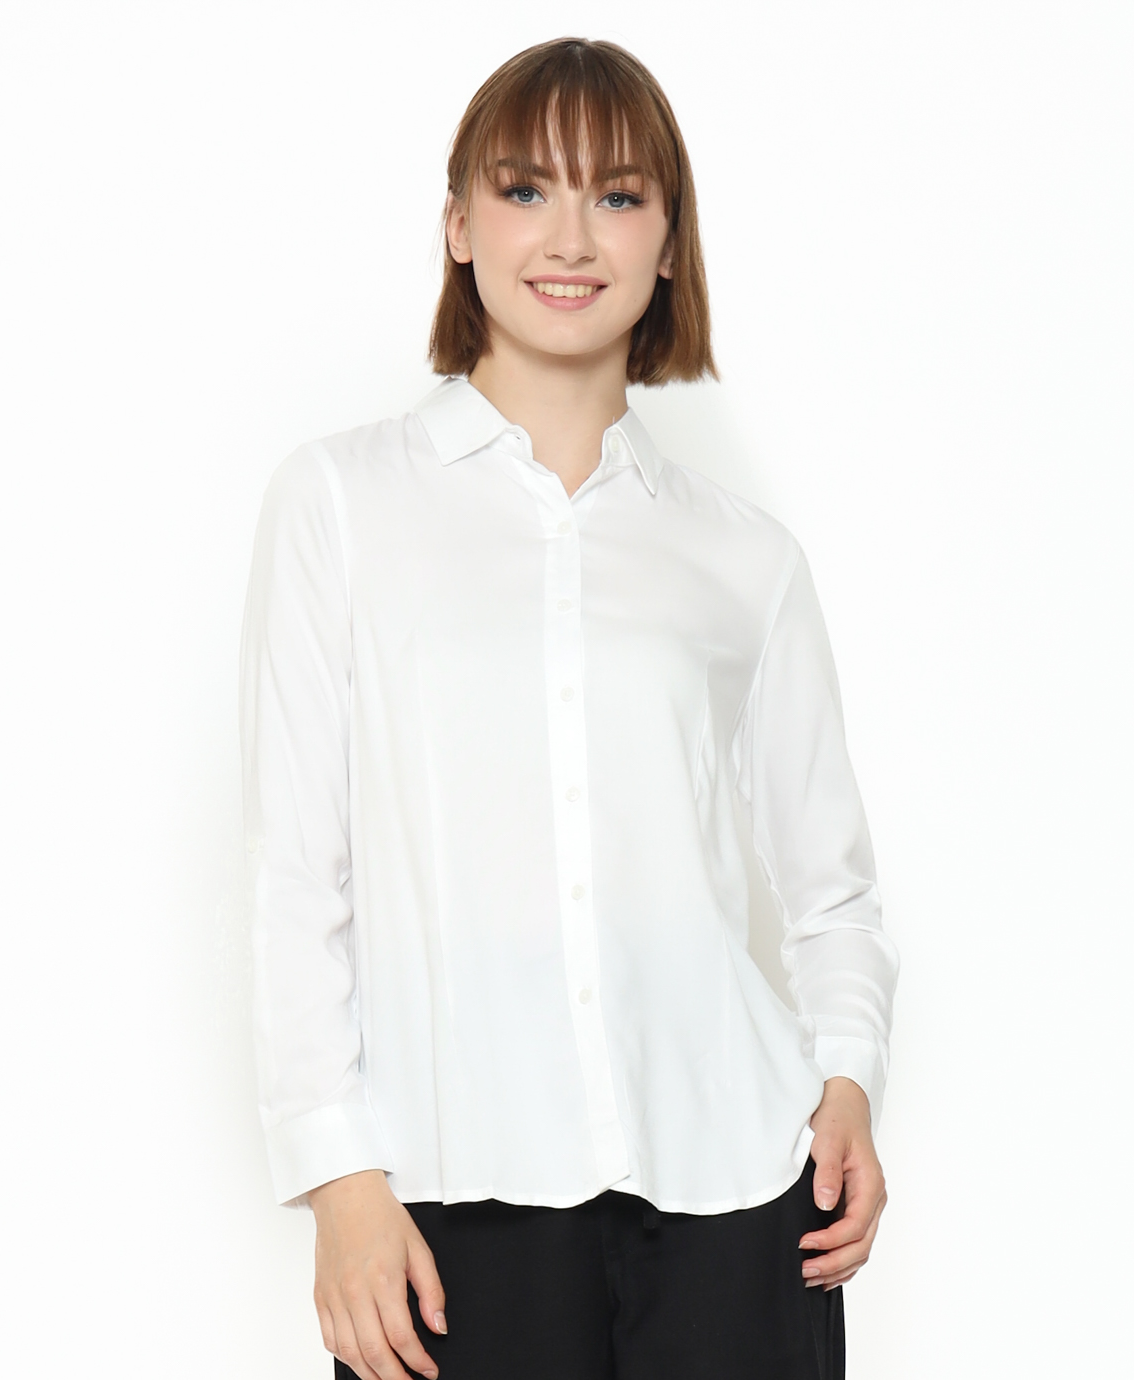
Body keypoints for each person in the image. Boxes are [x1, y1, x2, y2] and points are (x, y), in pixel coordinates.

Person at [239, 36, 899, 1380]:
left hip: (735, 1194)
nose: (571, 236)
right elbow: (294, 876)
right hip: (448, 1202)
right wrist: (339, 1179)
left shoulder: (745, 557)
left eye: (618, 195)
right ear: (459, 225)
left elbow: (833, 891)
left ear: (669, 242)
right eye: (526, 188)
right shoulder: (341, 504)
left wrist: (846, 1079)